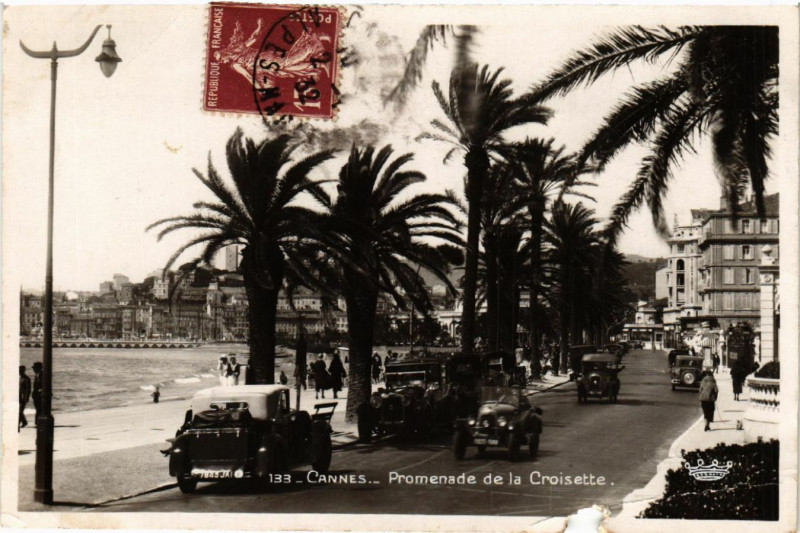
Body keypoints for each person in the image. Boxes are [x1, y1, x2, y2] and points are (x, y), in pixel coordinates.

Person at [19, 365, 31, 431]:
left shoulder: (27, 379)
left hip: (23, 397)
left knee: (20, 411)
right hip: (19, 397)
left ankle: (23, 422)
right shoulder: (20, 378)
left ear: (23, 371)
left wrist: (27, 397)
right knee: (19, 411)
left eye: (21, 370)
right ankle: (24, 422)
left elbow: (28, 389)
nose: (20, 372)